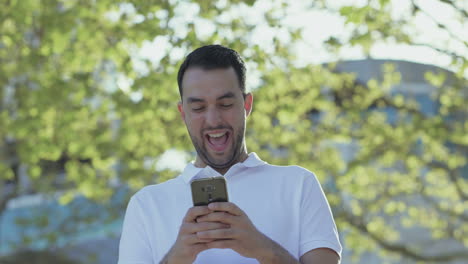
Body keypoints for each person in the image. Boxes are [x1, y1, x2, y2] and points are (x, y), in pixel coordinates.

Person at [118, 45, 342, 264]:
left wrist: (263, 249)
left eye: (225, 104)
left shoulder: (299, 185)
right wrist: (176, 259)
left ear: (247, 105)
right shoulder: (146, 205)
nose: (214, 120)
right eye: (198, 108)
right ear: (183, 113)